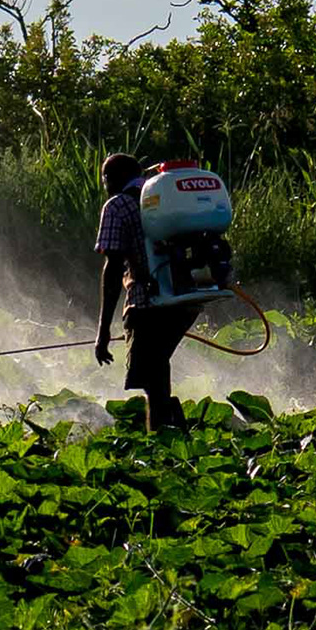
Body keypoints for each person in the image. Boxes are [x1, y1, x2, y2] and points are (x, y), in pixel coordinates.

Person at [92, 151, 193, 430]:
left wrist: (102, 332)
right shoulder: (164, 199)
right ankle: (171, 435)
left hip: (149, 304)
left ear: (111, 179)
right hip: (188, 299)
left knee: (152, 377)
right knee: (156, 372)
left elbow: (112, 270)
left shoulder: (117, 206)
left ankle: (166, 440)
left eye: (104, 180)